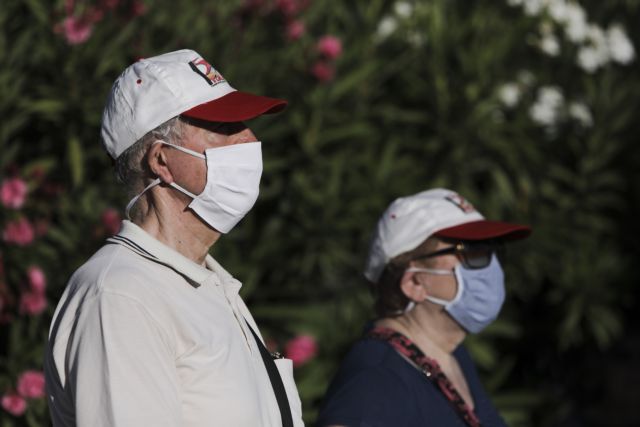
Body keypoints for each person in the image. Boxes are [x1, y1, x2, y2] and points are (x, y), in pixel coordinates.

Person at [44, 49, 304, 427]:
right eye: (225, 127)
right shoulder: (121, 296)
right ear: (161, 160)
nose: (250, 138)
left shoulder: (209, 285)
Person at [317, 188, 531, 427]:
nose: (490, 266)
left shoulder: (450, 356)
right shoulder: (377, 378)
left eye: (491, 249)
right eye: (471, 251)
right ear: (414, 282)